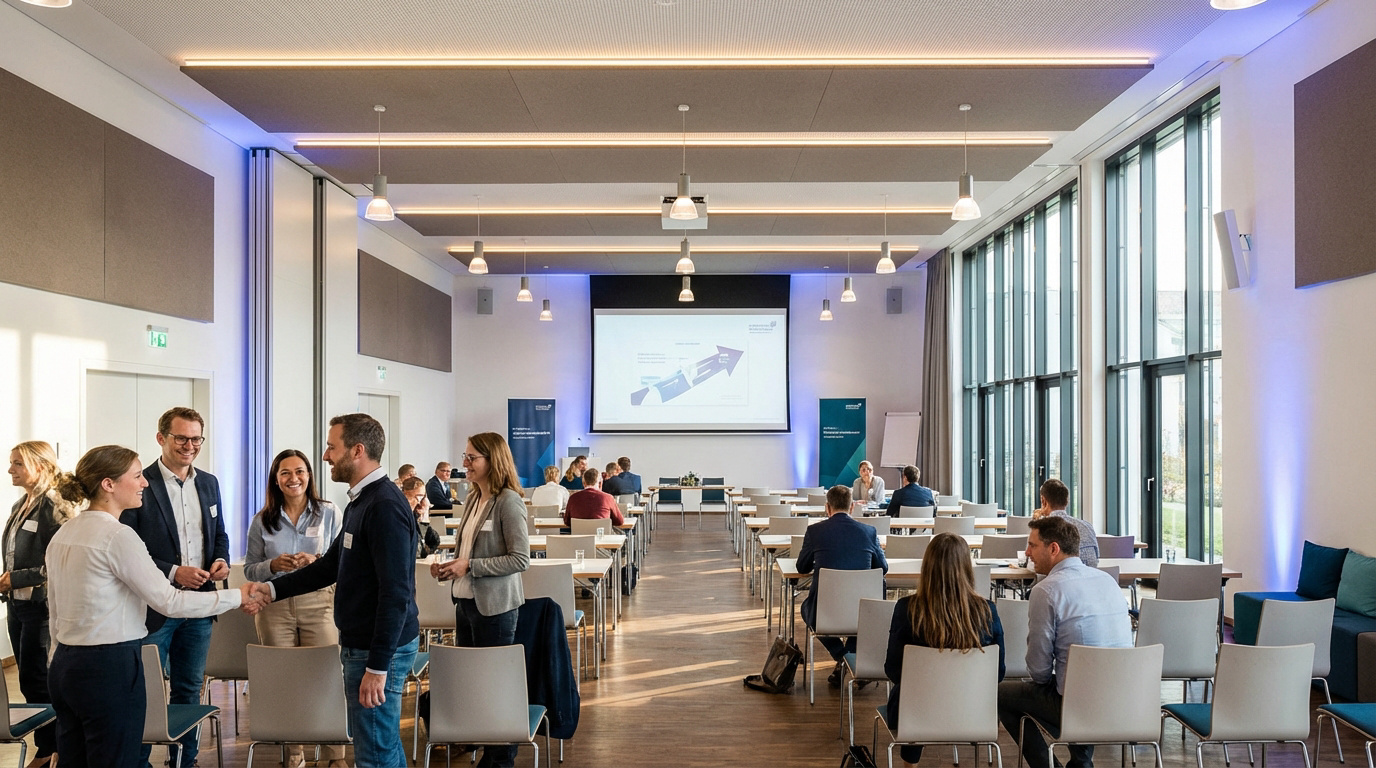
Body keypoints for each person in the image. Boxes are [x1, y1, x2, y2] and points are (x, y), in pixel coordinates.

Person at [47, 445, 263, 768]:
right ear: (109, 485)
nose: (144, 483)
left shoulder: (64, 533)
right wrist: (237, 596)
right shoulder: (118, 537)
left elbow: (54, 610)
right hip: (109, 666)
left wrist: (55, 658)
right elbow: (169, 600)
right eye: (136, 476)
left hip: (64, 665)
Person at [252, 413, 420, 768]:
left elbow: (396, 594)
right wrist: (270, 590)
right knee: (382, 745)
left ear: (357, 451)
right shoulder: (362, 501)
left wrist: (377, 666)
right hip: (366, 644)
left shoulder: (384, 506)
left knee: (374, 753)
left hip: (376, 649)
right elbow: (330, 567)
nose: (326, 456)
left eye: (331, 447)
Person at [119, 406, 230, 768]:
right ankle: (138, 761)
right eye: (181, 438)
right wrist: (171, 572)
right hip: (154, 608)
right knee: (146, 689)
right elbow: (129, 547)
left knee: (188, 688)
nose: (190, 445)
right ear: (161, 438)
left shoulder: (209, 482)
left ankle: (186, 761)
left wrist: (220, 560)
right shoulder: (139, 484)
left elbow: (219, 534)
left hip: (198, 607)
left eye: (196, 438)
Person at [997, 516, 1131, 768]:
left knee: (1000, 694)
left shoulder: (1047, 590)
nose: (1027, 553)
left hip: (1079, 707)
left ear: (1053, 548)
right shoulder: (1108, 582)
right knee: (1079, 681)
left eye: (1032, 545)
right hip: (1127, 702)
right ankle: (1081, 763)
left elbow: (1038, 671)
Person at [242, 449, 347, 768]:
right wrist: (272, 565)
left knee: (328, 678)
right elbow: (249, 569)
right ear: (276, 479)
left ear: (309, 475)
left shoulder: (329, 512)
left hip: (319, 602)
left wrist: (316, 561)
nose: (293, 478)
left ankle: (334, 756)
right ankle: (294, 756)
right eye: (285, 473)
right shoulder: (262, 520)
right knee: (284, 682)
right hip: (274, 606)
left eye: (299, 471)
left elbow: (344, 560)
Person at [430, 432, 530, 768]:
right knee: (473, 683)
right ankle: (479, 741)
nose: (464, 463)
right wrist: (450, 568)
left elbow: (520, 559)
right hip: (466, 602)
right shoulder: (473, 498)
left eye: (472, 457)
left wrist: (470, 566)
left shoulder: (508, 502)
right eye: (465, 456)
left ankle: (500, 756)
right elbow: (467, 550)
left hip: (496, 606)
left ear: (493, 461)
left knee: (494, 685)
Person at [884, 532, 1005, 765]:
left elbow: (893, 671)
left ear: (927, 567)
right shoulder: (987, 611)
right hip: (974, 712)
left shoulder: (906, 609)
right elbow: (997, 674)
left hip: (913, 714)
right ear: (966, 568)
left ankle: (911, 761)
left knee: (912, 690)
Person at [5, 441, 75, 768]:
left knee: (39, 681)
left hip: (42, 608)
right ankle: (47, 747)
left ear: (40, 465)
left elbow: (59, 562)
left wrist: (14, 579)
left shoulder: (54, 505)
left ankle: (49, 750)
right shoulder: (21, 504)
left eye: (17, 463)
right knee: (26, 680)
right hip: (17, 606)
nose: (10, 470)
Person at [797, 485, 889, 688]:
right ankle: (851, 658)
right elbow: (882, 568)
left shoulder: (814, 531)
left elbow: (801, 566)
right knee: (864, 614)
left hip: (825, 612)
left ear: (827, 507)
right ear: (852, 507)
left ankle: (842, 655)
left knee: (806, 609)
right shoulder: (869, 532)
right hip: (863, 611)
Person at [1032, 479, 1098, 566]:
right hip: (1089, 578)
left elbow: (1032, 562)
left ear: (1043, 501)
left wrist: (1035, 522)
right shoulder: (1087, 526)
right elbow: (1096, 560)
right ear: (1067, 502)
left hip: (1056, 578)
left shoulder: (1043, 530)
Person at [402, 475, 442, 558]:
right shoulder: (403, 516)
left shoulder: (414, 515)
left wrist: (424, 517)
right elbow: (418, 551)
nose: (420, 502)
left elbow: (434, 541)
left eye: (423, 497)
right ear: (406, 495)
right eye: (419, 496)